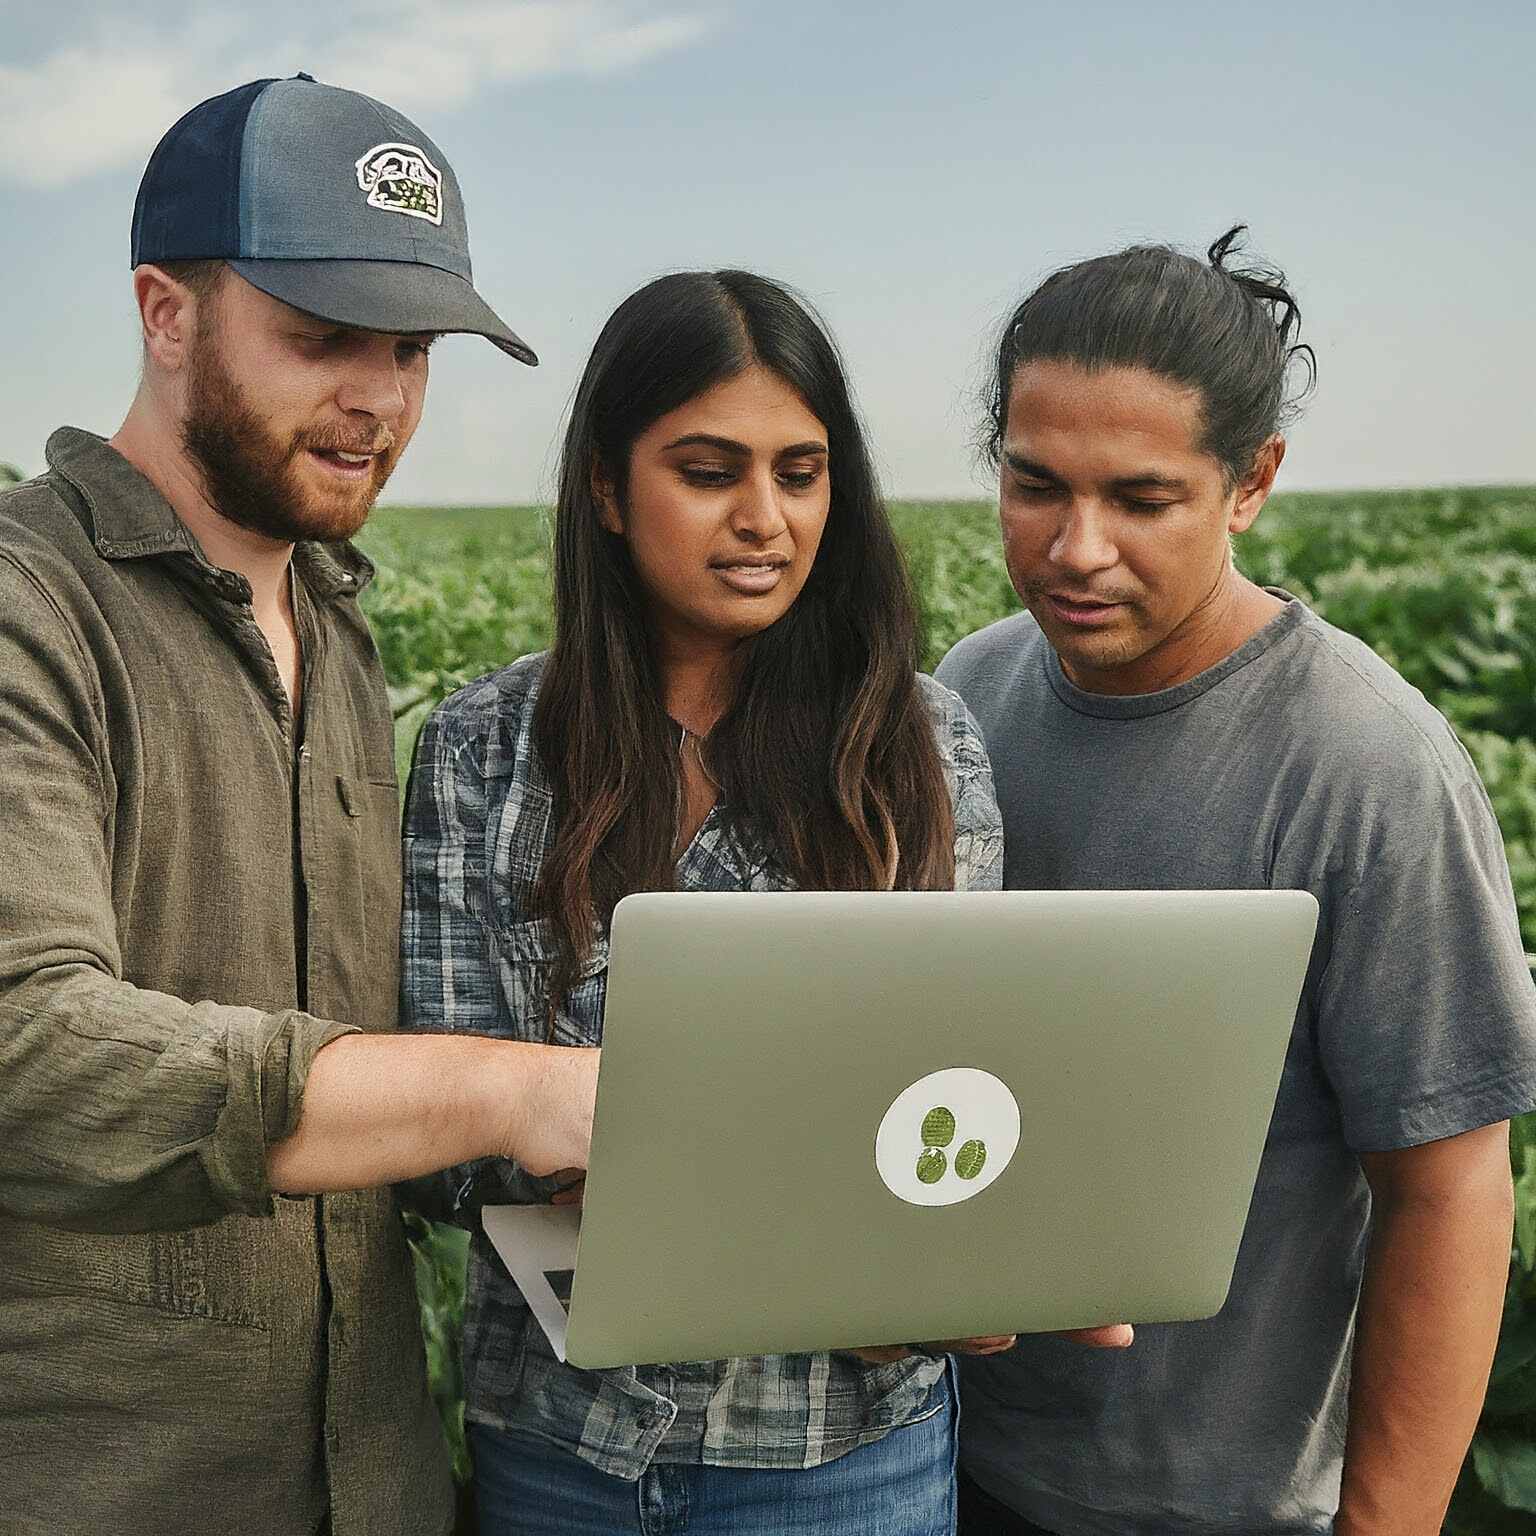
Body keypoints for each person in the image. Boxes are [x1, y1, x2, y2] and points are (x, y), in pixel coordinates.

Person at [0, 75, 597, 1536]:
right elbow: (27, 1045)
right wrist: (513, 1090)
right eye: (322, 337)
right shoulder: (32, 610)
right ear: (167, 312)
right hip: (113, 1484)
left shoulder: (335, 624)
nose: (380, 399)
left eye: (409, 348)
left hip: (374, 1474)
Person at [399, 268, 1037, 1535]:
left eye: (800, 474)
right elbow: (440, 1129)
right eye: (708, 470)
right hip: (559, 1444)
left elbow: (958, 1087)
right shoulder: (486, 746)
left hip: (838, 1454)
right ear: (604, 488)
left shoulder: (920, 744)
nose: (764, 518)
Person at [936, 227, 1536, 1536]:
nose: (1076, 547)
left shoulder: (1367, 768)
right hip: (954, 1471)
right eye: (1036, 485)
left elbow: (1448, 1193)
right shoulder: (970, 697)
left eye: (1142, 499)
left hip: (1221, 1507)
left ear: (1251, 482)